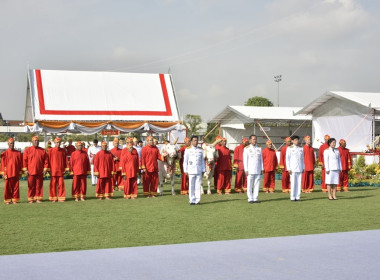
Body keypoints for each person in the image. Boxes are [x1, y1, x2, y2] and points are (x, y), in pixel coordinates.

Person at [22, 136, 49, 203]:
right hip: (30, 172)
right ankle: (31, 199)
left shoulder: (43, 150)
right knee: (31, 186)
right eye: (35, 141)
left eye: (37, 141)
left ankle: (38, 198)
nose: (36, 142)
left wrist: (45, 169)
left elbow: (46, 161)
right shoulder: (27, 150)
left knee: (39, 186)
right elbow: (24, 160)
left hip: (40, 171)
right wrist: (25, 170)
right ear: (32, 142)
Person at [183, 136, 205, 205]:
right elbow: (185, 161)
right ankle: (192, 200)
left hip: (198, 170)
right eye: (194, 140)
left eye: (196, 140)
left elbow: (202, 161)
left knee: (198, 185)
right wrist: (185, 170)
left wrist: (203, 169)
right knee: (191, 186)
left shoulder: (200, 150)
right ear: (191, 142)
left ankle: (197, 200)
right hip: (191, 170)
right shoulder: (188, 149)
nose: (196, 142)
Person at [1, 138, 23, 204]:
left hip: (15, 172)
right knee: (7, 188)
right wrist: (3, 173)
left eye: (13, 143)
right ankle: (7, 200)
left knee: (16, 187)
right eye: (10, 143)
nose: (12, 144)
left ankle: (15, 200)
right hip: (7, 173)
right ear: (8, 144)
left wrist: (20, 172)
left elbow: (20, 164)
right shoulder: (5, 153)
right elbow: (2, 164)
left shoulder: (18, 153)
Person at [48, 137, 69, 202]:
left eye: (59, 142)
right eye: (57, 142)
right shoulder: (50, 150)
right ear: (54, 143)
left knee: (61, 185)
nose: (58, 143)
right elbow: (48, 160)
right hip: (53, 170)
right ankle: (53, 198)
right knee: (53, 185)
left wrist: (66, 168)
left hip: (61, 170)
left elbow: (65, 160)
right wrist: (49, 170)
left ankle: (61, 197)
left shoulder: (63, 150)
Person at [243, 135, 263, 203]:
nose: (255, 140)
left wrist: (262, 168)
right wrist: (246, 169)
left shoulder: (259, 148)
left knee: (257, 184)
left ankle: (255, 198)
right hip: (250, 169)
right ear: (250, 140)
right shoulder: (247, 148)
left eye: (255, 139)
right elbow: (245, 160)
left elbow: (261, 160)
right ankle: (250, 198)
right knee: (249, 184)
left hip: (257, 169)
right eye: (253, 139)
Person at [286, 135, 304, 201]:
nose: (296, 141)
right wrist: (288, 168)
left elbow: (302, 159)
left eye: (297, 140)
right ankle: (292, 197)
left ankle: (298, 196)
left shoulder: (301, 149)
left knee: (299, 183)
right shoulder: (289, 148)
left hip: (299, 168)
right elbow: (287, 159)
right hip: (293, 168)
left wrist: (303, 167)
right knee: (293, 183)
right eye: (295, 140)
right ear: (292, 141)